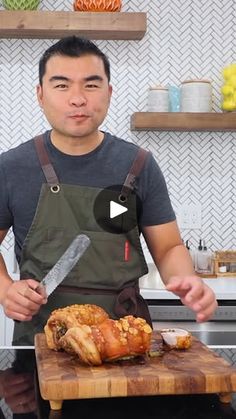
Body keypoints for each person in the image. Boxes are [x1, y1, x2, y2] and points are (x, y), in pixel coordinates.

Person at [0, 36, 217, 346]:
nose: (77, 99)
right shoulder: (11, 167)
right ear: (40, 94)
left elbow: (169, 248)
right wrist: (6, 288)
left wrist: (187, 280)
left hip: (123, 342)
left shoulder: (139, 164)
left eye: (91, 85)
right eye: (61, 85)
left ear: (109, 92)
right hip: (43, 343)